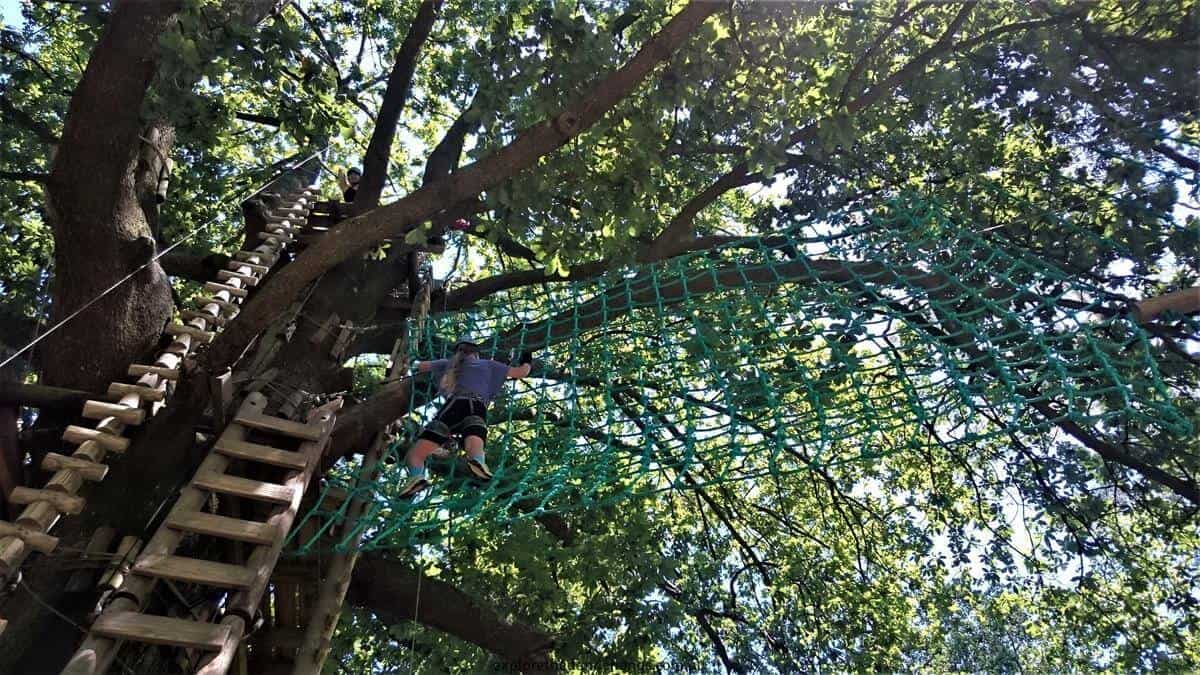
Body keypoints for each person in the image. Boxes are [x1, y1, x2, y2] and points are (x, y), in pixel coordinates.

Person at [399, 339, 534, 498]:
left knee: (415, 455)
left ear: (457, 353)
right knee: (474, 444)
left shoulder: (449, 364)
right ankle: (478, 461)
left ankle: (416, 477)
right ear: (476, 354)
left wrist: (405, 362)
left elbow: (418, 366)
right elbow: (522, 372)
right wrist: (527, 356)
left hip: (454, 406)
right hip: (477, 407)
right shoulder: (489, 364)